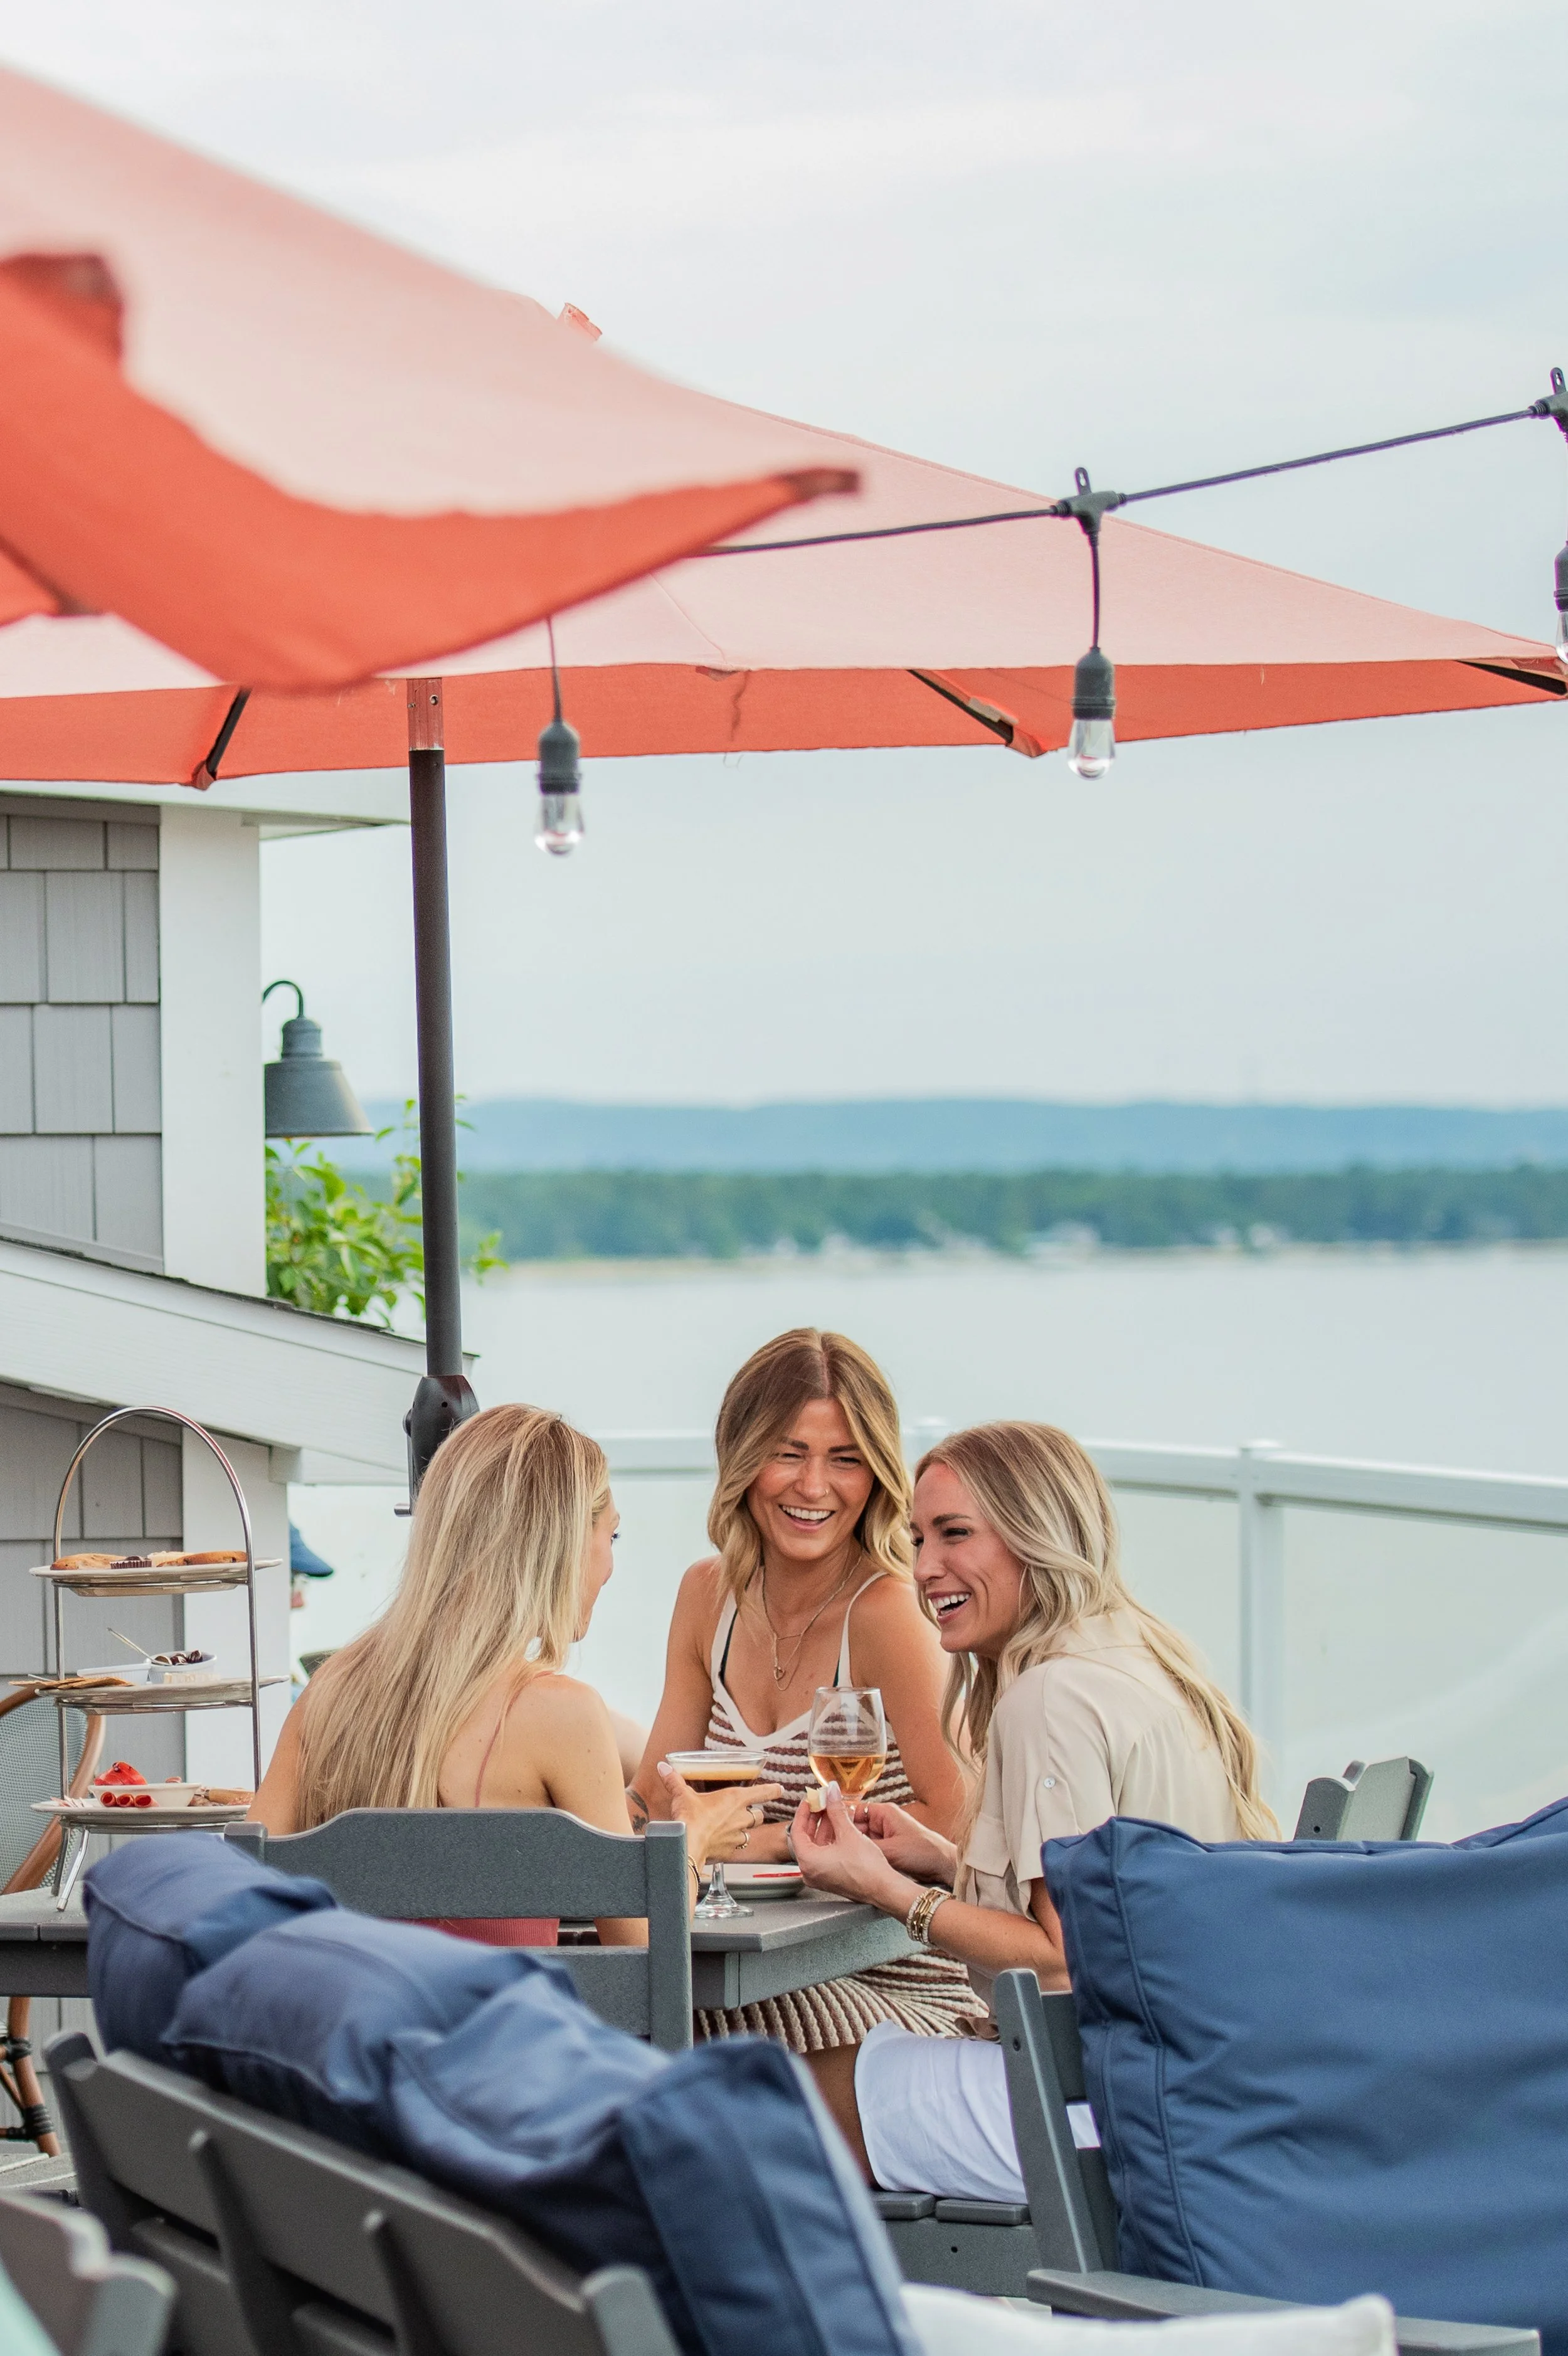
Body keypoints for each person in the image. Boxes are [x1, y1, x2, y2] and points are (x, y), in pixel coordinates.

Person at [790, 1419, 1275, 2199]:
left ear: (1036, 1535)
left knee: (765, 2105)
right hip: (1197, 2084)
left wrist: (893, 1895)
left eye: (955, 1535)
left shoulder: (1047, 1699)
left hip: (1105, 2108)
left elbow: (1060, 1955)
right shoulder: (1142, 1657)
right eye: (916, 1539)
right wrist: (946, 1863)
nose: (925, 1569)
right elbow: (1115, 1900)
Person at [251, 1403, 776, 1946]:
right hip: (497, 2028)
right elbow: (644, 1948)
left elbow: (248, 1884)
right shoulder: (561, 1713)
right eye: (611, 1537)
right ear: (562, 1543)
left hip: (345, 2024)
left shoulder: (331, 1690)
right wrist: (695, 1841)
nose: (610, 1567)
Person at [632, 1328, 972, 2047]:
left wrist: (756, 1841)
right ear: (741, 1458)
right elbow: (656, 1799)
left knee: (677, 2034)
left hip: (883, 1974)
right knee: (631, 2004)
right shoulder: (707, 1595)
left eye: (844, 1460)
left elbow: (953, 1817)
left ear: (877, 1475)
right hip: (738, 1967)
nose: (814, 1487)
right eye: (788, 1453)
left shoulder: (886, 1614)